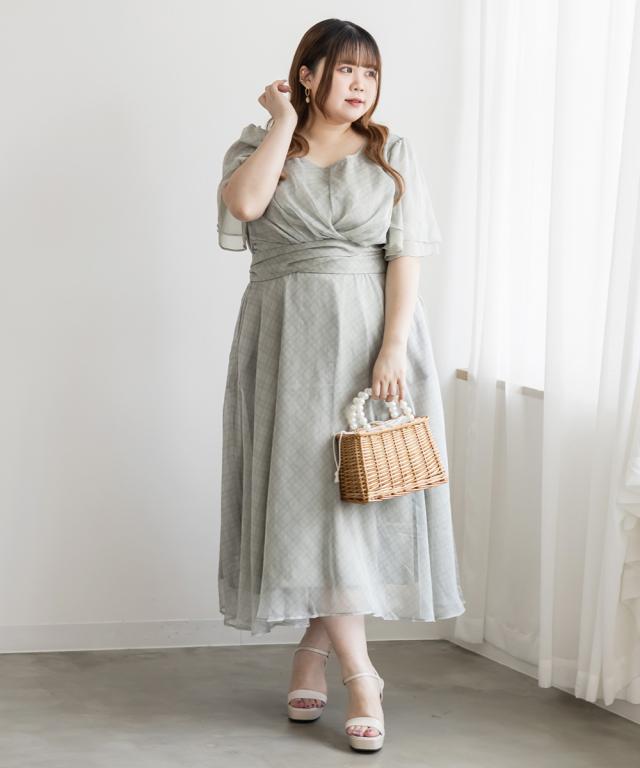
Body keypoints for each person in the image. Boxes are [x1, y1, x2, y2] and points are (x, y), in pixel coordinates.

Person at [216, 18, 465, 752]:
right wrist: (281, 121)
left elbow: (405, 257)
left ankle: (327, 660)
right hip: (284, 340)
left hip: (368, 341)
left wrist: (392, 349)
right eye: (345, 70)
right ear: (307, 73)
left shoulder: (391, 153)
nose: (359, 86)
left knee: (348, 510)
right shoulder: (259, 145)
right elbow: (244, 207)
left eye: (370, 73)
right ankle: (359, 673)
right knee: (303, 503)